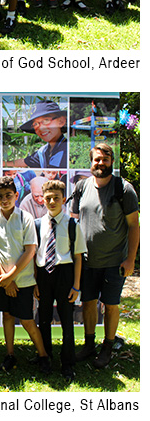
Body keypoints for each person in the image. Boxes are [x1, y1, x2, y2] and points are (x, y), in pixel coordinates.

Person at [72, 143, 139, 368]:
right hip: (88, 261)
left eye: (105, 159)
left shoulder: (124, 189)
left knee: (111, 305)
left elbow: (134, 225)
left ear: (112, 161)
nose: (101, 163)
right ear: (91, 162)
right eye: (97, 159)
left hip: (114, 262)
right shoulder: (81, 187)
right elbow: (74, 222)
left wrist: (130, 259)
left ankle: (107, 347)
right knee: (88, 303)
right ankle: (89, 345)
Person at [0, 174, 50, 376]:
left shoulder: (25, 218)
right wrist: (4, 279)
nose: (5, 200)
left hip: (21, 281)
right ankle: (10, 354)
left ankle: (43, 356)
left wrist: (11, 277)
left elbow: (30, 250)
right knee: (7, 316)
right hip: (1, 281)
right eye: (0, 196)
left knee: (27, 320)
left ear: (16, 195)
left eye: (8, 195)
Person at [35, 178, 86, 383]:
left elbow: (78, 257)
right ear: (43, 201)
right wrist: (35, 283)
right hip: (44, 275)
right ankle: (45, 356)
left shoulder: (73, 225)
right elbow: (34, 254)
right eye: (48, 198)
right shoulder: (38, 224)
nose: (52, 201)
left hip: (65, 274)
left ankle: (67, 363)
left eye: (56, 198)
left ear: (64, 199)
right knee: (44, 318)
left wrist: (76, 285)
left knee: (66, 320)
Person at [19, 100, 68, 169]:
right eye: (35, 124)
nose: (41, 128)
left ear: (61, 121)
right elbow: (26, 161)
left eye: (46, 120)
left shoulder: (68, 150)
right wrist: (3, 163)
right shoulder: (43, 152)